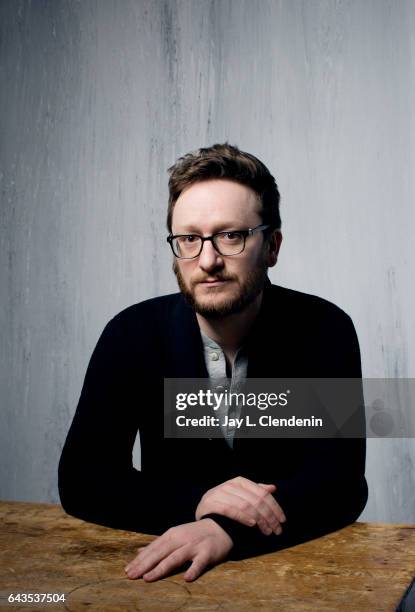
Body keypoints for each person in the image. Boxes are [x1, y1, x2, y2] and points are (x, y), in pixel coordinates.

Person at [58, 143, 368, 583]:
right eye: (189, 239)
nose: (207, 261)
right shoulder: (131, 334)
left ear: (272, 246)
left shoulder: (324, 329)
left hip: (295, 579)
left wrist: (225, 532)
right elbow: (83, 479)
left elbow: (339, 484)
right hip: (163, 579)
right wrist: (199, 500)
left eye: (231, 235)